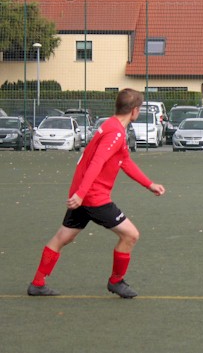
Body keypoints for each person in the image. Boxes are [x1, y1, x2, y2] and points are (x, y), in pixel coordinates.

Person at [27, 89, 166, 298]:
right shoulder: (115, 132)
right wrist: (83, 194)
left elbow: (124, 161)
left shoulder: (111, 125)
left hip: (83, 193)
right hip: (93, 196)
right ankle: (116, 282)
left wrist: (149, 184)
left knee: (63, 237)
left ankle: (37, 283)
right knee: (131, 235)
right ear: (135, 111)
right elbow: (96, 162)